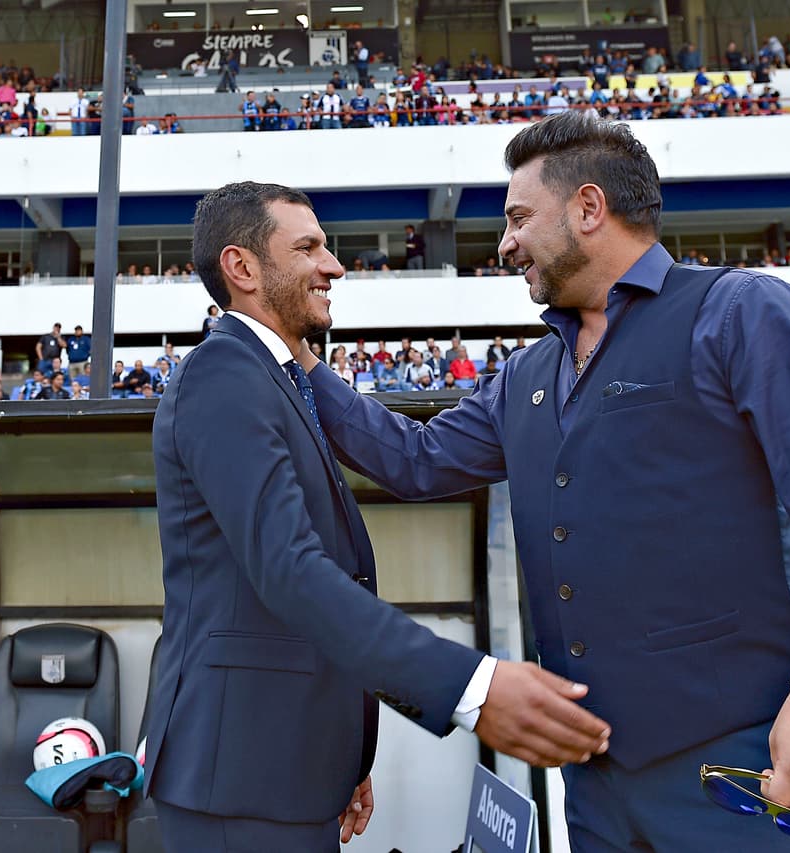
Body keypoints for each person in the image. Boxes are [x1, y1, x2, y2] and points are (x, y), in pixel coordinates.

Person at [300, 113, 790, 850]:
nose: (505, 244)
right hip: (592, 784)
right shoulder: (526, 374)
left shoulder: (740, 312)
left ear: (589, 208)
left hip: (742, 765)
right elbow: (415, 459)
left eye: (519, 218)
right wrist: (298, 361)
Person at [145, 182, 609, 851]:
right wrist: (472, 688)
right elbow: (291, 571)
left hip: (284, 769)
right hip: (241, 777)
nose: (333, 266)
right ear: (242, 267)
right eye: (308, 247)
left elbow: (403, 464)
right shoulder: (224, 373)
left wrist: (340, 756)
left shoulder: (276, 378)